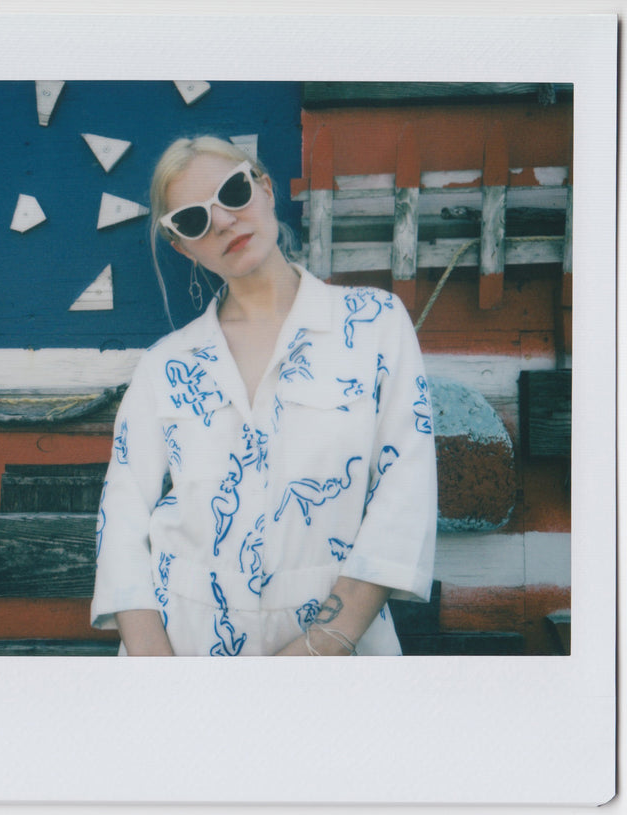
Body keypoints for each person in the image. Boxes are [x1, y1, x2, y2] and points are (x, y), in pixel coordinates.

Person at [90, 136, 437, 656]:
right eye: (193, 220)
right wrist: (153, 667)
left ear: (266, 188)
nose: (224, 221)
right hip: (184, 644)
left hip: (339, 643)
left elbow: (405, 487)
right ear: (183, 246)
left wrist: (326, 644)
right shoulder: (165, 364)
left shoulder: (374, 324)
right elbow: (122, 515)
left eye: (233, 192)